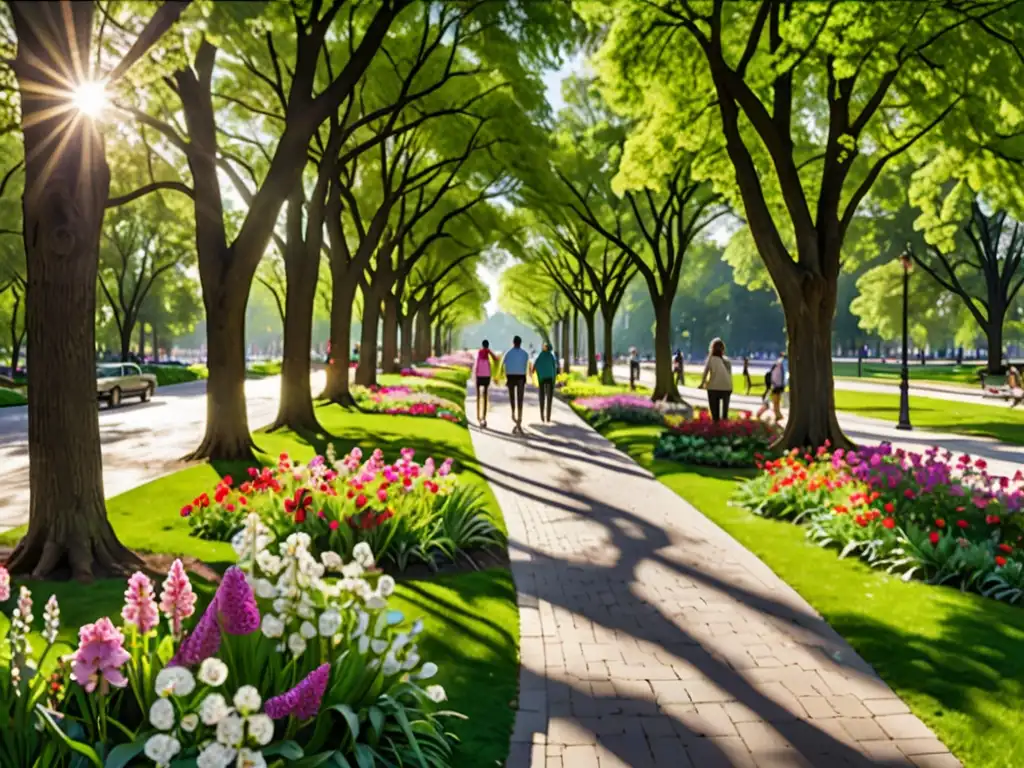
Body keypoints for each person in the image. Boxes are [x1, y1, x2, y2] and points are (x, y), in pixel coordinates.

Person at [698, 338, 733, 421]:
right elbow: (729, 375)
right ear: (723, 349)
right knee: (725, 414)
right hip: (727, 387)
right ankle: (725, 425)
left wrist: (702, 383)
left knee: (715, 414)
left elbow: (705, 373)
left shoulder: (710, 359)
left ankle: (715, 424)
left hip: (713, 387)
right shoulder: (727, 361)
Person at [502, 336, 530, 434]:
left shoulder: (508, 353)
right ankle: (519, 418)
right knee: (520, 398)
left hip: (510, 377)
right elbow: (525, 365)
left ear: (513, 342)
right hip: (521, 377)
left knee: (512, 398)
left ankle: (513, 414)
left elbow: (504, 365)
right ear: (520, 343)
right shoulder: (525, 354)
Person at [474, 340, 500, 427]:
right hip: (486, 375)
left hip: (479, 375)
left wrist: (475, 375)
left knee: (478, 396)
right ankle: (484, 417)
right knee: (485, 396)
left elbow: (477, 363)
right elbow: (496, 359)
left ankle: (478, 416)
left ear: (482, 345)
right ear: (488, 345)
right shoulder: (488, 351)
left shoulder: (479, 352)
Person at [531, 342, 558, 423]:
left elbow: (535, 366)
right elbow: (554, 368)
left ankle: (542, 415)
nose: (543, 347)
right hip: (550, 379)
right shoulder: (551, 356)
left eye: (544, 346)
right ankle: (548, 417)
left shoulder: (541, 355)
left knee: (542, 397)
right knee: (549, 399)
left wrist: (534, 371)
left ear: (547, 347)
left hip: (542, 379)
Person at [757, 352, 787, 424]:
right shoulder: (780, 364)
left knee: (775, 400)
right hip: (777, 385)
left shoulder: (778, 363)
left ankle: (777, 414)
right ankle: (776, 414)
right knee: (774, 401)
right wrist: (779, 384)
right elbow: (778, 375)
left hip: (776, 384)